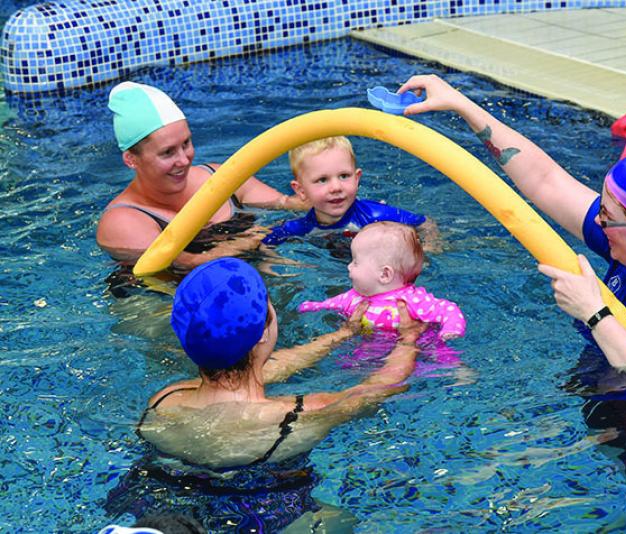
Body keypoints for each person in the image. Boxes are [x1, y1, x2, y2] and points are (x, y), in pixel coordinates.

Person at [397, 74, 626, 395]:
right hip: (611, 390)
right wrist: (462, 104)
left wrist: (593, 311)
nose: (596, 222)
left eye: (607, 217)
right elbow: (545, 181)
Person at [105, 257, 425, 532]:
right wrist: (409, 339)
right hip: (256, 514)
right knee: (340, 520)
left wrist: (341, 335)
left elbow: (265, 369)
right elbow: (382, 386)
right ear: (264, 332)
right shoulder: (299, 415)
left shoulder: (166, 399)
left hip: (158, 503)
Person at [96, 81, 307, 268]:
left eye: (186, 143)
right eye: (167, 152)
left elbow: (289, 203)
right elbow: (186, 264)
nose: (184, 159)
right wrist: (242, 243)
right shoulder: (123, 220)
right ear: (131, 160)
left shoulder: (215, 177)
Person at [261, 136, 440, 251]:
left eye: (344, 176)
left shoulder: (376, 215)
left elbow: (425, 224)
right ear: (301, 190)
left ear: (357, 178)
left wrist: (429, 249)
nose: (336, 187)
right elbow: (263, 244)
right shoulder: (298, 228)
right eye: (322, 180)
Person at [299, 221, 465, 341]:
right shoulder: (353, 297)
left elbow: (448, 309)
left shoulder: (412, 301)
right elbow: (329, 304)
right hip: (369, 350)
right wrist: (310, 307)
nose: (349, 267)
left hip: (416, 348)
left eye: (355, 262)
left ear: (385, 274)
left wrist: (450, 330)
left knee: (442, 355)